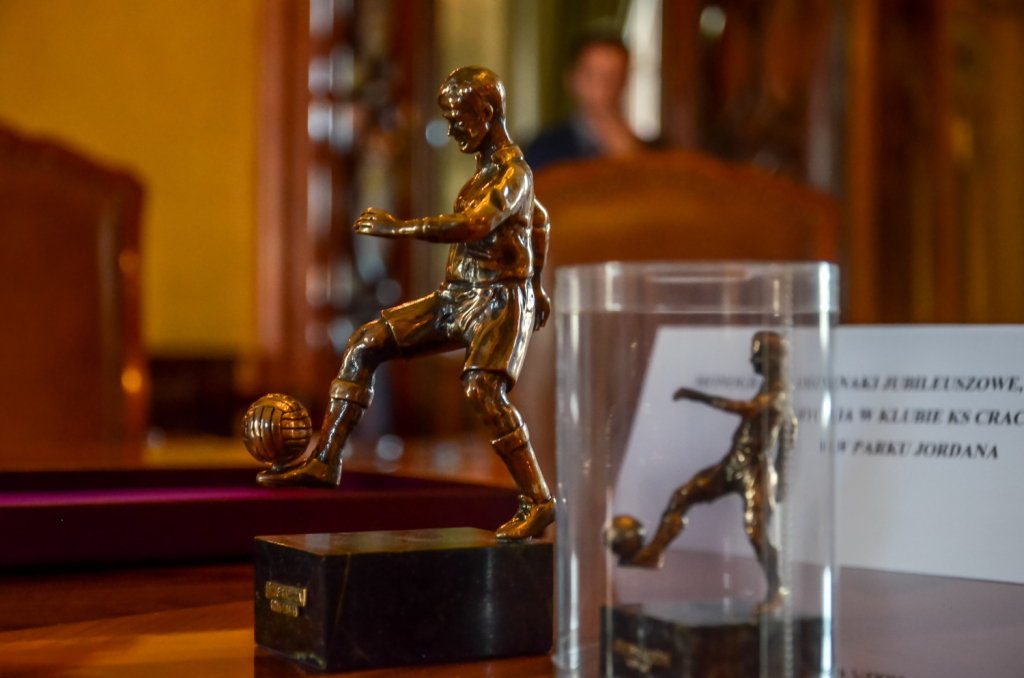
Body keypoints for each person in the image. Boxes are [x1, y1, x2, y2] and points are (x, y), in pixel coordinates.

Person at [258, 67, 555, 541]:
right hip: (458, 295)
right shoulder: (486, 172)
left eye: (458, 119)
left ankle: (538, 500)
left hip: (497, 299)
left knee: (483, 391)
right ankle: (326, 460)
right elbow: (539, 221)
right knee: (366, 343)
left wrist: (399, 229)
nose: (452, 130)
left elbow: (477, 225)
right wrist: (538, 282)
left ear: (486, 112)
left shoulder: (513, 172)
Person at [626, 331, 797, 612]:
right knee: (683, 495)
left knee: (756, 533)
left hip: (755, 470)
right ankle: (654, 553)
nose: (751, 360)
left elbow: (747, 410)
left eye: (757, 354)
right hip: (733, 463)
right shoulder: (768, 386)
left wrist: (697, 396)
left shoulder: (779, 393)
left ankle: (776, 591)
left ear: (771, 357)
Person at [525, 32, 642, 172]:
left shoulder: (651, 152)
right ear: (573, 79)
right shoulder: (543, 151)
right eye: (592, 76)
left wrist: (631, 154)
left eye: (614, 76)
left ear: (626, 80)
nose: (603, 87)